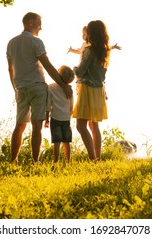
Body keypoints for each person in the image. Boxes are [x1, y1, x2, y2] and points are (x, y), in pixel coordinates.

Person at [6, 12, 73, 164]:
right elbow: (48, 66)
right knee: (37, 124)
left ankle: (13, 160)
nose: (40, 27)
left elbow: (11, 70)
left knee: (20, 124)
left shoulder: (11, 43)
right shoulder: (36, 42)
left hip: (21, 87)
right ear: (30, 23)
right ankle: (35, 161)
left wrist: (15, 89)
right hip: (37, 86)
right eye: (38, 23)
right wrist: (63, 85)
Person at [72, 20, 111, 161]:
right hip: (99, 89)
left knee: (81, 125)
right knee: (94, 125)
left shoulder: (89, 51)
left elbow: (80, 72)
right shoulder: (105, 51)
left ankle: (92, 158)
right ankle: (98, 158)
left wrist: (73, 68)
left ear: (91, 33)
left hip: (87, 89)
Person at [44, 65, 75, 163]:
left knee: (56, 142)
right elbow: (71, 104)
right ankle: (68, 161)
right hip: (66, 119)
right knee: (66, 142)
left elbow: (48, 105)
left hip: (55, 118)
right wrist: (69, 114)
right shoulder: (69, 89)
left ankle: (56, 162)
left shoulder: (51, 87)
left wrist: (46, 119)